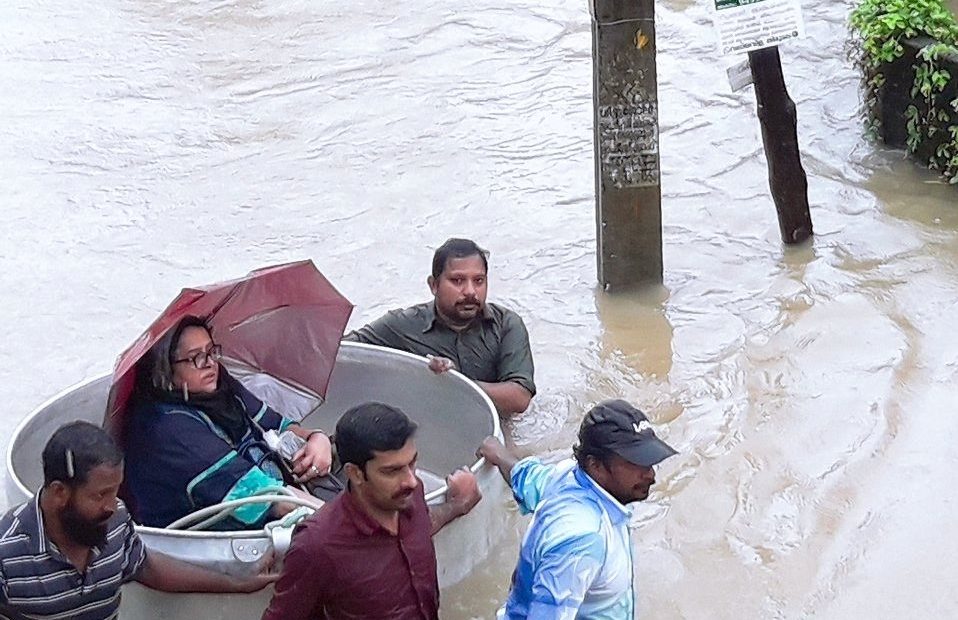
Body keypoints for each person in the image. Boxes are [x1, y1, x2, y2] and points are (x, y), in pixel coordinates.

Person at [0, 421, 276, 620]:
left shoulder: (116, 519)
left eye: (116, 491)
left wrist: (236, 581)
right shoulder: (6, 552)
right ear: (60, 492)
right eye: (100, 495)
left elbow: (145, 566)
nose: (112, 505)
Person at [262, 402, 482, 620]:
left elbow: (422, 525)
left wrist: (457, 506)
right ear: (355, 473)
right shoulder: (317, 544)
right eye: (392, 471)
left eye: (412, 463)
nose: (411, 481)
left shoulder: (409, 496)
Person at [123, 315, 332, 529]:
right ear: (165, 369)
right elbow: (266, 497)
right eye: (195, 357)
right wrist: (337, 521)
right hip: (219, 542)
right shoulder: (165, 427)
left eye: (211, 351)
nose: (210, 364)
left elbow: (278, 425)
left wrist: (317, 438)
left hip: (283, 497)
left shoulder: (218, 387)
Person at [478, 399, 678, 619]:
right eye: (636, 464)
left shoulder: (567, 476)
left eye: (649, 462)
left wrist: (500, 455)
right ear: (596, 466)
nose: (650, 474)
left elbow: (529, 479)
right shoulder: (582, 540)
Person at [344, 238, 536, 416]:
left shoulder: (506, 324)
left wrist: (455, 381)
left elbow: (519, 398)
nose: (470, 291)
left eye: (479, 281)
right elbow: (344, 351)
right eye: (458, 281)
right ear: (434, 285)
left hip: (493, 427)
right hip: (435, 424)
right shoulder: (402, 324)